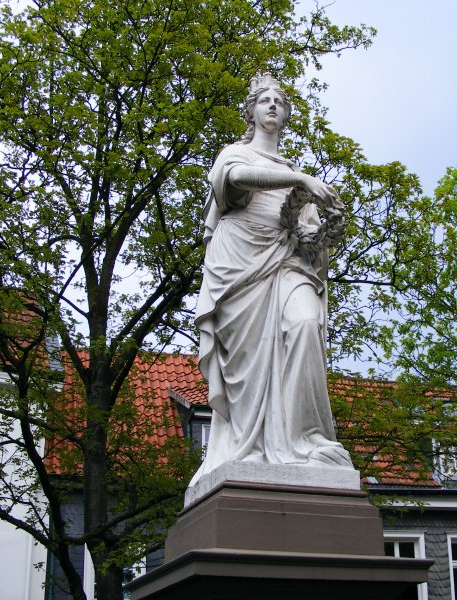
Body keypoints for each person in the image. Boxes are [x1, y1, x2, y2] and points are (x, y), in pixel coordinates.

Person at [189, 73, 353, 487]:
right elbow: (238, 181)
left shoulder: (298, 176)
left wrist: (324, 232)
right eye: (265, 99)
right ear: (251, 110)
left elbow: (309, 239)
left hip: (285, 262)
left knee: (305, 323)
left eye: (280, 100)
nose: (273, 105)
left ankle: (305, 440)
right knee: (247, 368)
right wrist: (300, 181)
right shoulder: (235, 154)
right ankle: (252, 445)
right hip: (239, 265)